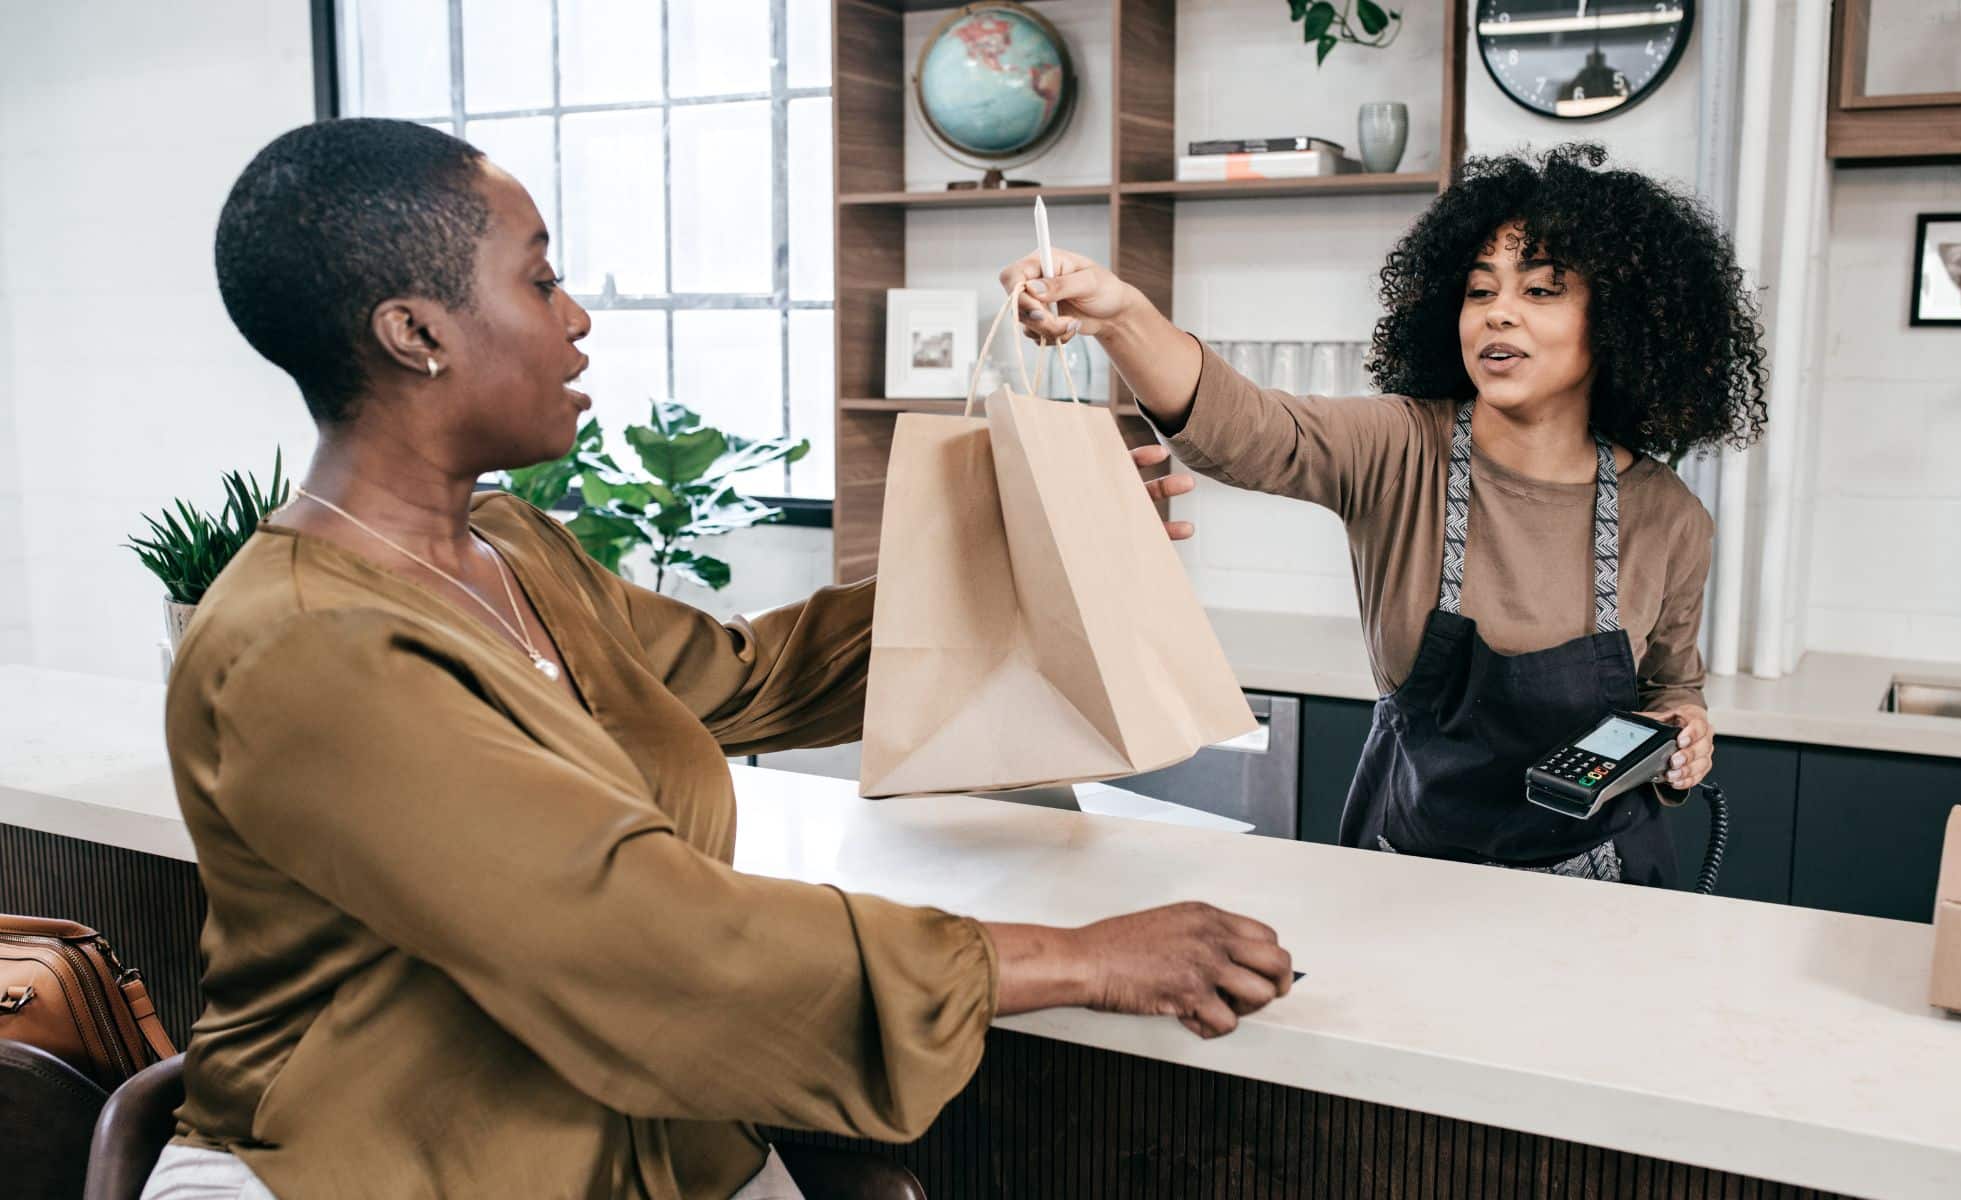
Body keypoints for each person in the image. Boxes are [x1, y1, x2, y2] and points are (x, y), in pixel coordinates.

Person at [149, 118, 1292, 1200]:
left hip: (662, 1158)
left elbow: (748, 675)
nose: (577, 318)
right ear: (416, 334)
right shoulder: (302, 648)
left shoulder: (513, 548)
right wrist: (1075, 960)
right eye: (541, 281)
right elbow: (640, 940)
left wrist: (1036, 541)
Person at [1000, 144, 1768, 887]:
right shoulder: (1402, 449)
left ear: (1619, 321)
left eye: (1540, 291)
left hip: (1603, 885)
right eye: (1480, 292)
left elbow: (1671, 686)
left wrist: (1684, 734)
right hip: (1406, 874)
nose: (1499, 314)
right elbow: (1248, 429)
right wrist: (1122, 319)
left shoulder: (1669, 517)